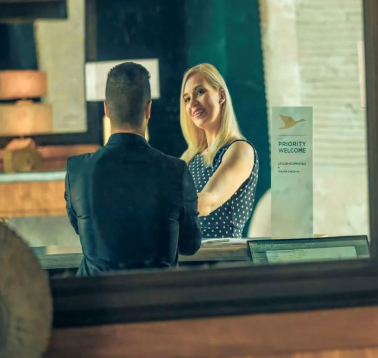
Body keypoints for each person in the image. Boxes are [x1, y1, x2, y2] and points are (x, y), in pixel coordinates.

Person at [65, 62, 201, 276]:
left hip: (96, 295)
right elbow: (190, 245)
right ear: (148, 109)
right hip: (158, 296)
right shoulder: (176, 171)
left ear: (106, 109)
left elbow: (83, 230)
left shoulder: (77, 171)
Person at [180, 63, 259, 238]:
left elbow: (209, 199)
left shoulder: (240, 149)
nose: (192, 103)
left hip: (223, 253)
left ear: (221, 96)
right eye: (187, 99)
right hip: (189, 253)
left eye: (200, 92)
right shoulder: (189, 158)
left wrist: (160, 205)